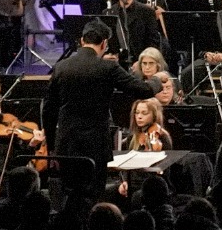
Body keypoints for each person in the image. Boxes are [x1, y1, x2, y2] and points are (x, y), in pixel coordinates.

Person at [42, 20, 159, 197]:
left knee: (70, 197)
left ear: (82, 40)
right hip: (95, 146)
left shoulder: (60, 67)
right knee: (93, 196)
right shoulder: (108, 68)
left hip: (66, 145)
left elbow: (48, 111)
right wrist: (158, 80)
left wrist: (51, 147)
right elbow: (144, 90)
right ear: (104, 44)